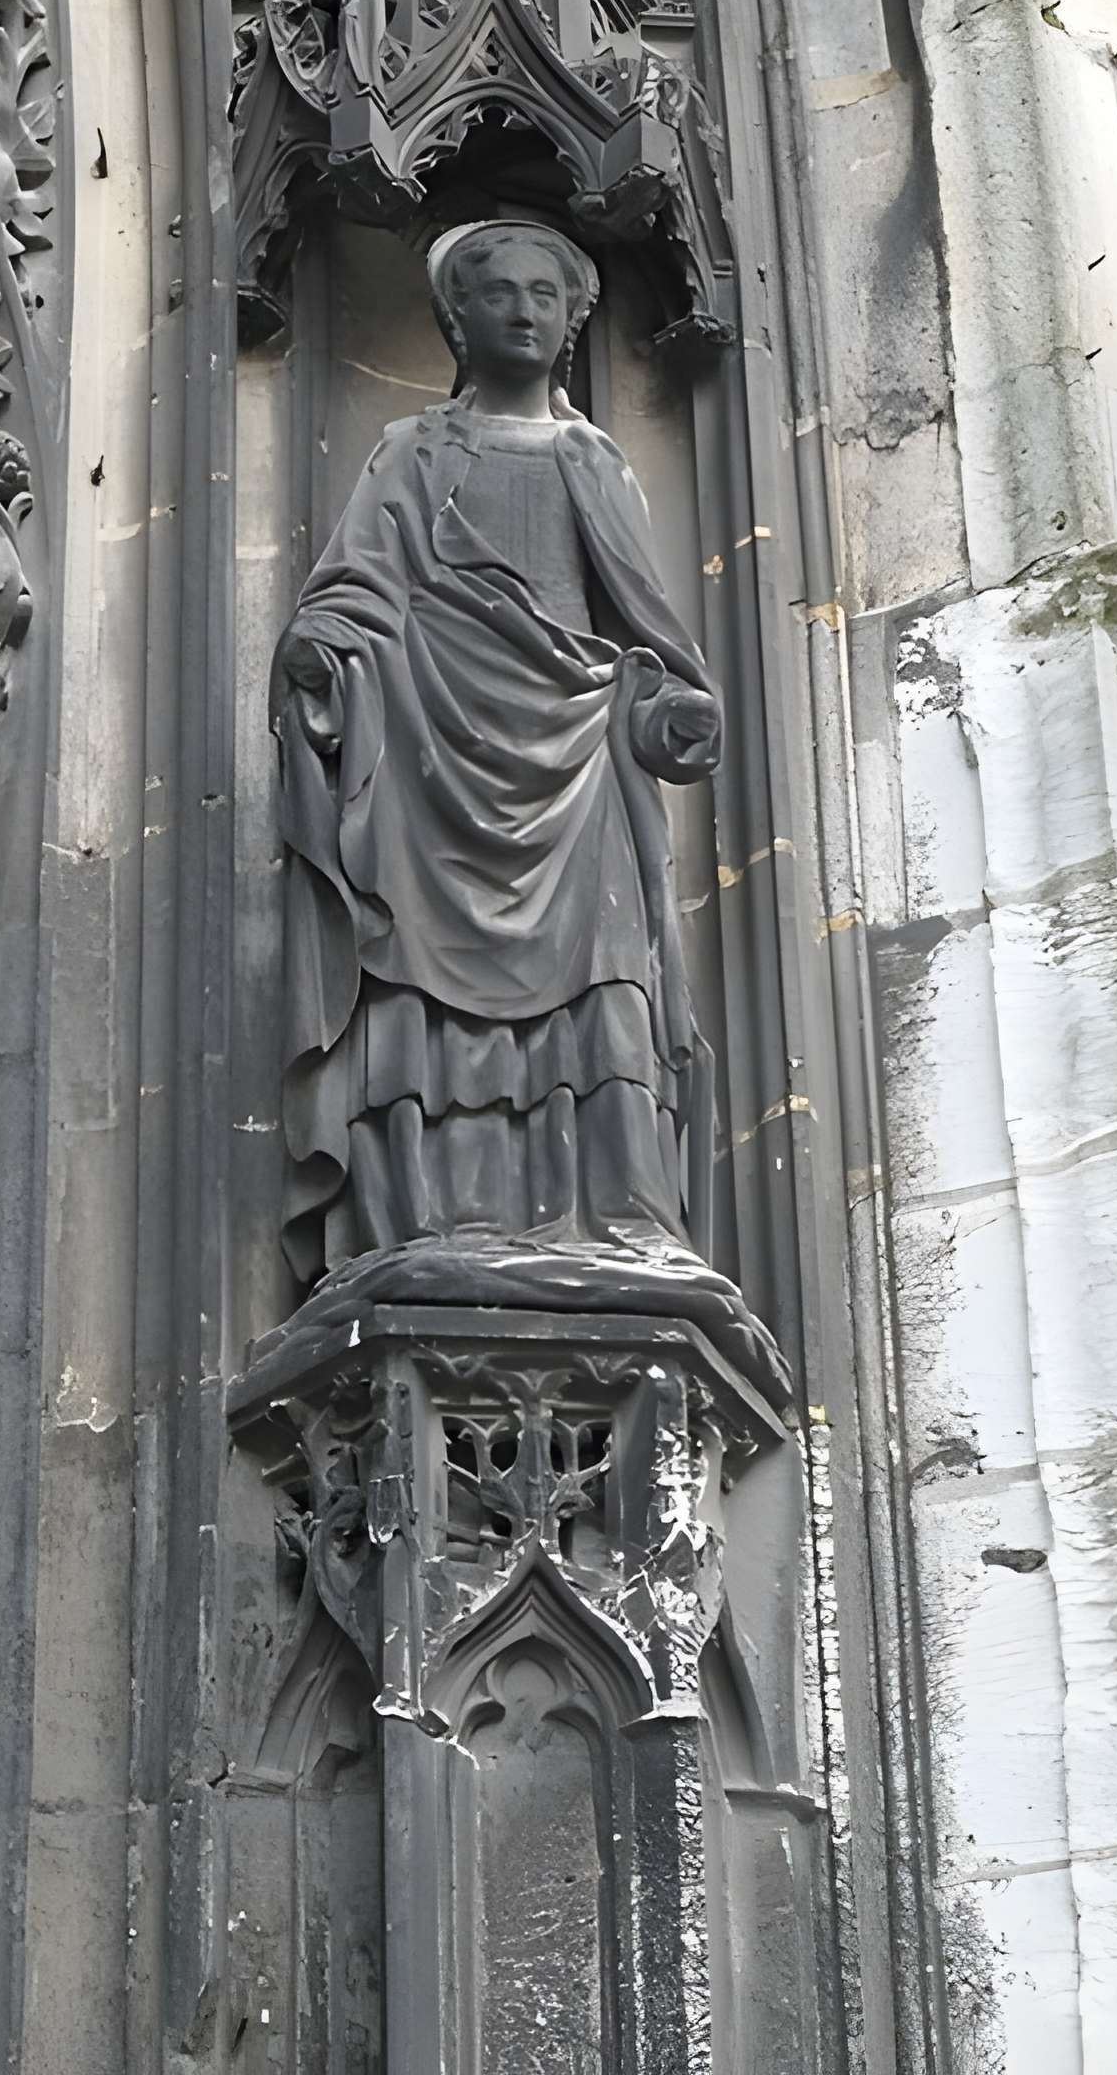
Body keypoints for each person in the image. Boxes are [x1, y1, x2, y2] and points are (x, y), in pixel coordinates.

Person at [269, 220, 790, 1407]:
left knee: (606, 978)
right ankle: (424, 1217)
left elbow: (645, 630)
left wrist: (671, 711)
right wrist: (324, 654)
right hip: (431, 760)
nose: (523, 311)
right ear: (456, 320)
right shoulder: (410, 454)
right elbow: (356, 591)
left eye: (545, 295)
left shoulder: (590, 462)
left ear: (572, 318)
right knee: (415, 970)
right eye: (497, 293)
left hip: (575, 769)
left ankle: (617, 1215)